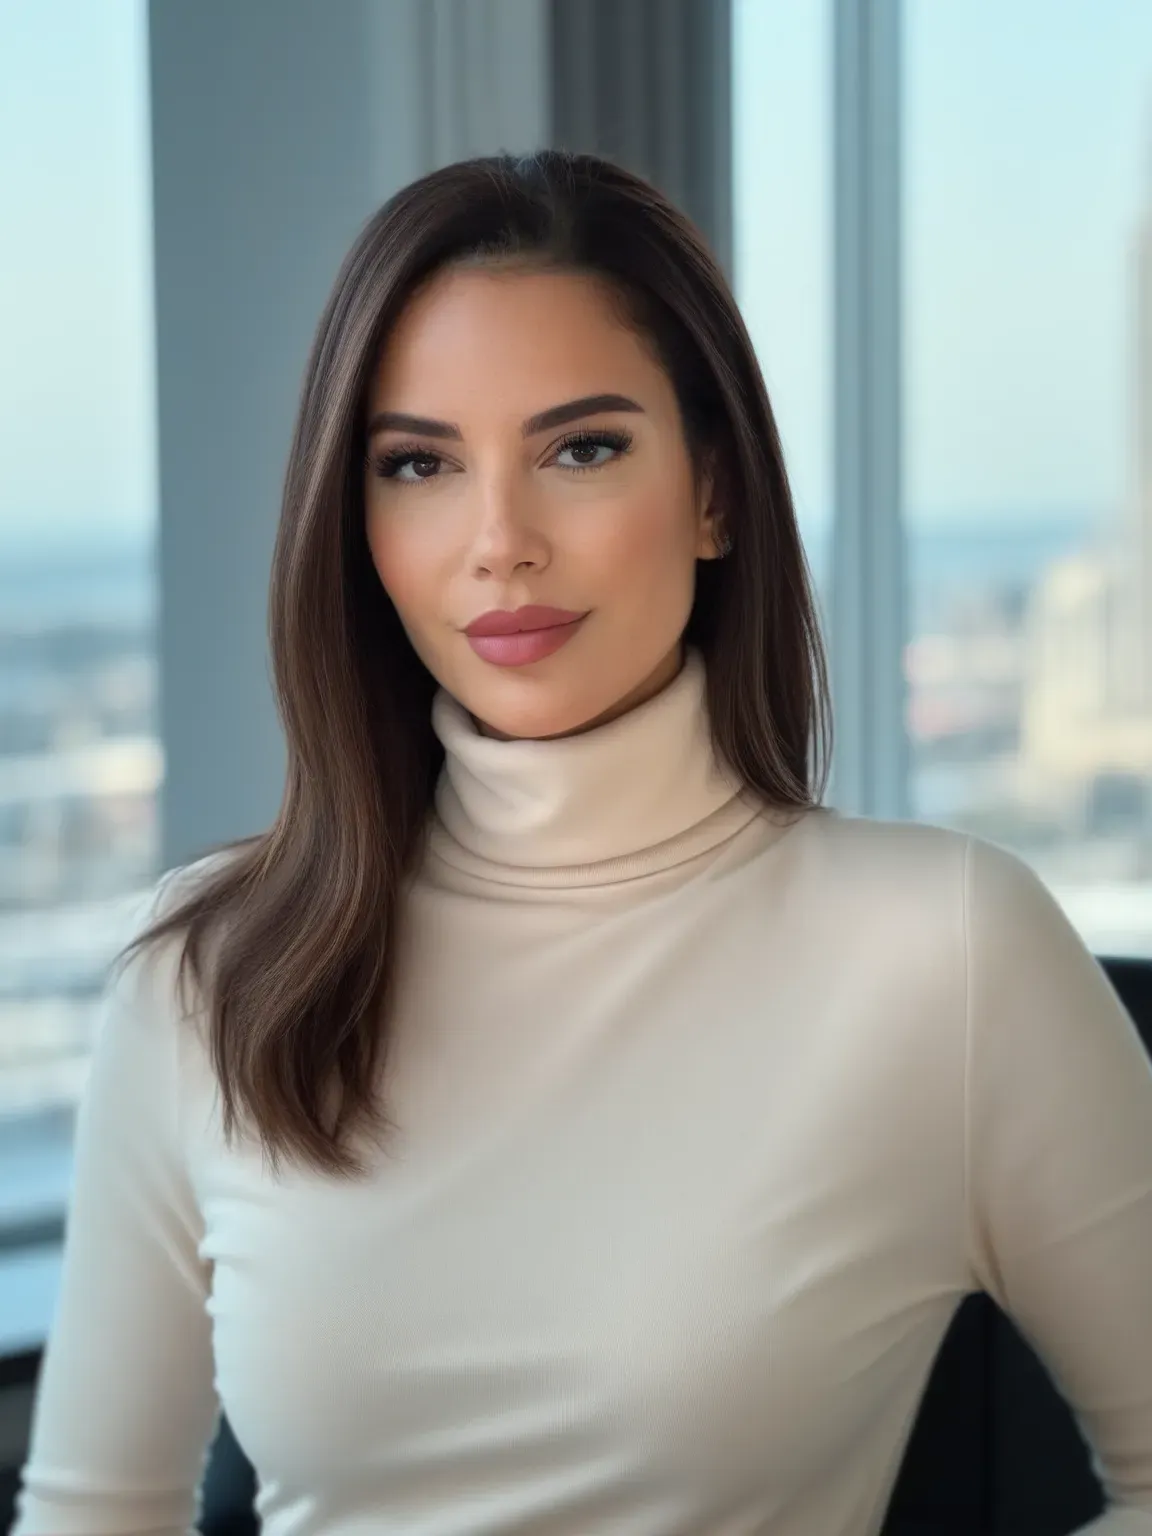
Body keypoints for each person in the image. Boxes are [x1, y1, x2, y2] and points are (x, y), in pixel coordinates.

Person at [12, 150, 1152, 1536]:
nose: (501, 541)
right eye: (420, 464)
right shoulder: (207, 973)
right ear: (355, 522)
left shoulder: (944, 952)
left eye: (582, 449)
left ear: (717, 491)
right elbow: (91, 1518)